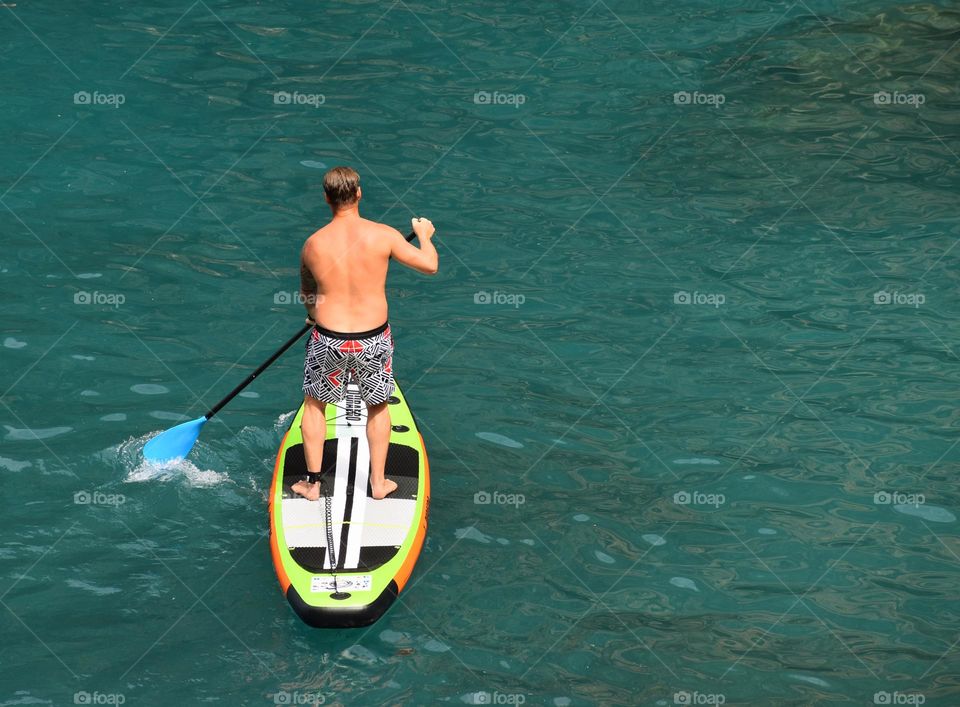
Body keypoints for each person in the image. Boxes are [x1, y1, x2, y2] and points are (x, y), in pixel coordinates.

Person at [291, 166, 438, 501]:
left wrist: (313, 316)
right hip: (373, 339)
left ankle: (313, 484)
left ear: (326, 198)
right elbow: (430, 265)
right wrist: (425, 234)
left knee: (314, 405)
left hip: (328, 337)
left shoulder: (313, 244)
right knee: (377, 407)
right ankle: (378, 483)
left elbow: (308, 295)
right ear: (358, 194)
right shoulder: (384, 235)